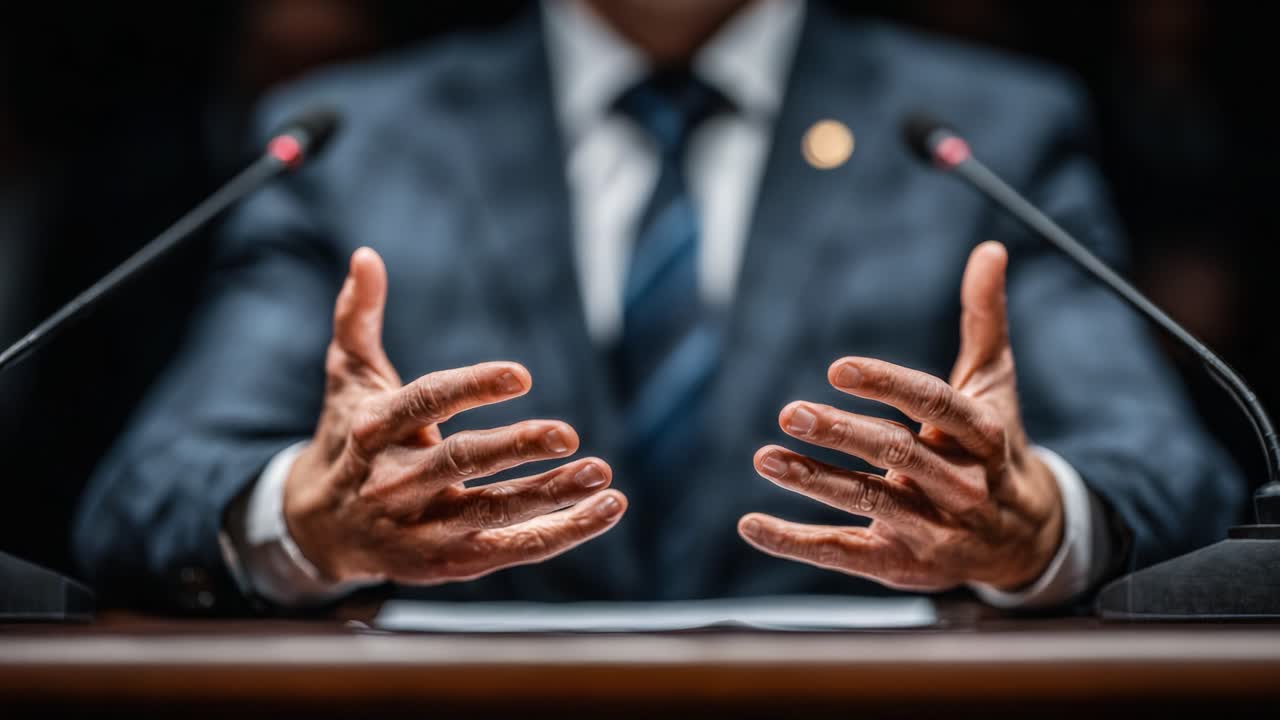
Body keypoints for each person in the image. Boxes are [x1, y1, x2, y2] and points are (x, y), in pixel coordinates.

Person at [74, 0, 1241, 613]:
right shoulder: (351, 136)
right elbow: (152, 485)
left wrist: (1036, 529)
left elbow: (1165, 469)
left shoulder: (983, 130)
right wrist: (303, 521)